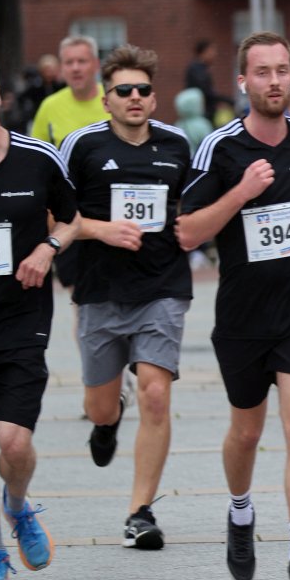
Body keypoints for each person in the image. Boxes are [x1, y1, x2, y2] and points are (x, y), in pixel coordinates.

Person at [177, 32, 290, 580]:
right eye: (262, 72)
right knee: (246, 433)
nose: (274, 81)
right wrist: (240, 193)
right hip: (243, 317)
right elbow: (187, 233)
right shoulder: (219, 148)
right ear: (243, 81)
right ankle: (241, 511)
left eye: (282, 71)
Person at [0, 52, 79, 580]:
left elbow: (73, 219)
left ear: (0, 93)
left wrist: (47, 248)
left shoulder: (37, 158)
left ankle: (18, 503)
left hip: (22, 319)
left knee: (13, 445)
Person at [61, 46, 192, 550]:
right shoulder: (82, 146)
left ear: (154, 99)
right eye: (123, 90)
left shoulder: (177, 145)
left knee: (156, 394)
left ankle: (140, 512)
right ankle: (109, 414)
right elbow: (55, 215)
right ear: (106, 99)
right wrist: (103, 230)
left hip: (162, 287)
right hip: (101, 290)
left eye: (143, 90)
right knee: (98, 407)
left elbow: (195, 206)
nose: (134, 97)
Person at [30, 35, 105, 295]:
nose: (75, 68)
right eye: (69, 62)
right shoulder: (50, 107)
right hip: (67, 211)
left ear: (96, 64)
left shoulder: (114, 98)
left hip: (108, 209)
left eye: (82, 61)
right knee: (80, 297)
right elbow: (35, 161)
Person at [184, 38, 221, 121]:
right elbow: (206, 91)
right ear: (203, 52)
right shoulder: (197, 70)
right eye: (211, 51)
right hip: (203, 114)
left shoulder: (200, 69)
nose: (215, 54)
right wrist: (224, 100)